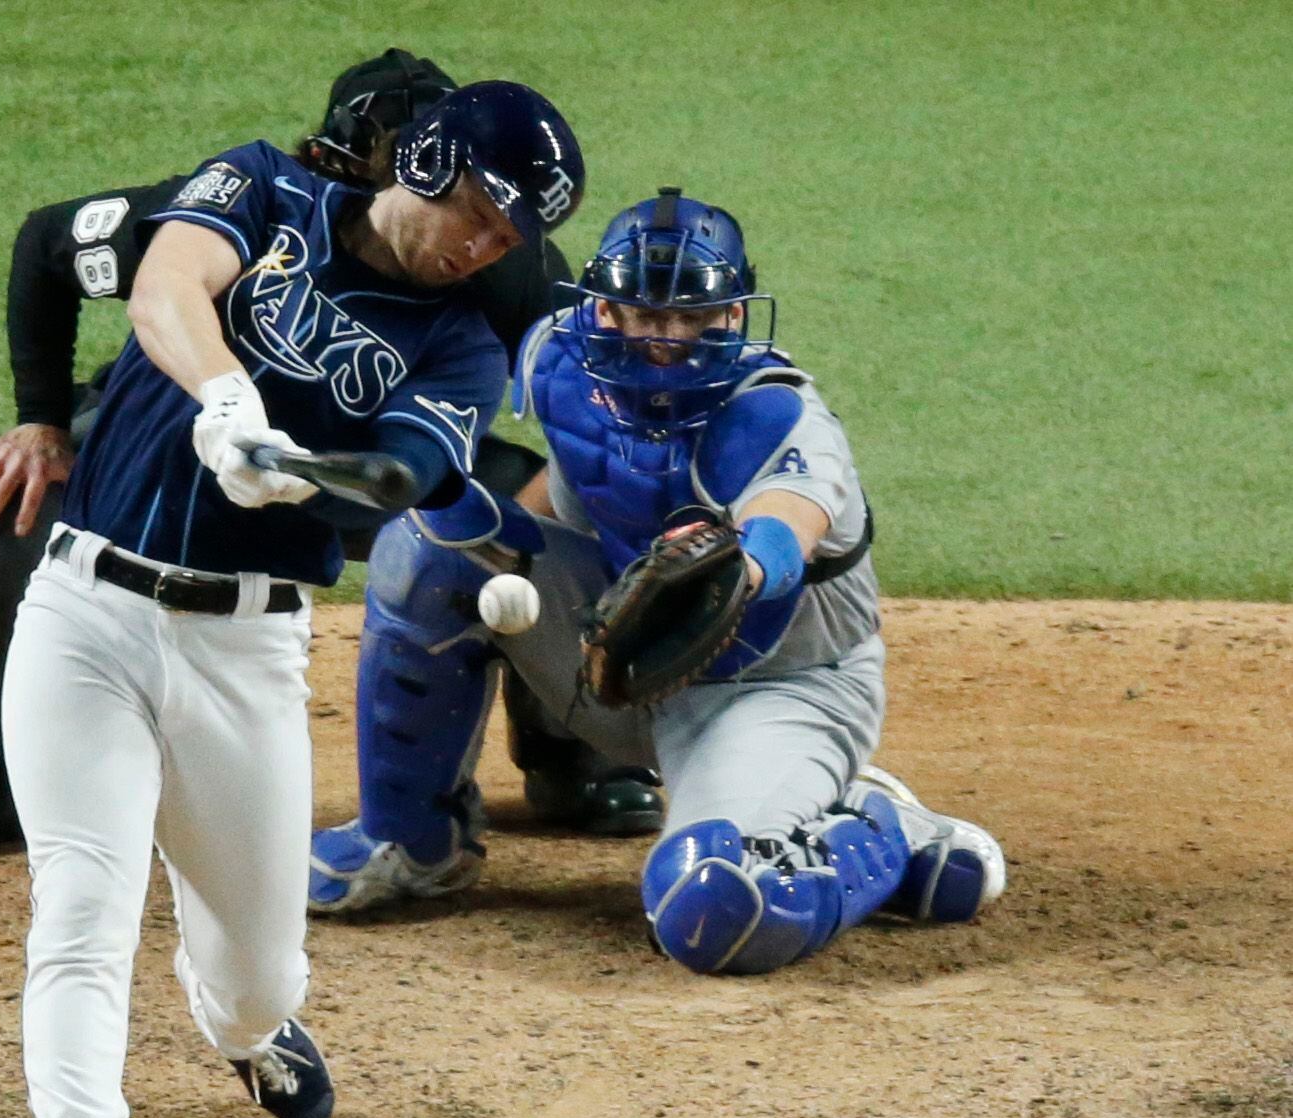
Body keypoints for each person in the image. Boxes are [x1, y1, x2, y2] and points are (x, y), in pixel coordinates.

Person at [1, 83, 585, 1118]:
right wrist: (227, 403)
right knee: (83, 904)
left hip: (244, 654)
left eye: (506, 234)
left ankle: (248, 1032)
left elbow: (403, 472)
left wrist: (307, 477)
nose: (486, 244)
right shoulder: (265, 186)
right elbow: (166, 289)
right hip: (84, 617)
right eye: (477, 211)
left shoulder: (461, 344)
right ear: (424, 162)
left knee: (262, 968)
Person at [0, 50, 655, 853]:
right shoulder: (258, 196)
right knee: (4, 516)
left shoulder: (509, 274)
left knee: (547, 528)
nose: (473, 238)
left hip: (374, 457)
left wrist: (546, 506)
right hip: (178, 426)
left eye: (492, 224)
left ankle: (572, 749)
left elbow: (592, 407)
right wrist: (41, 422)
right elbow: (51, 247)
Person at [308, 188, 1007, 973]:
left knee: (715, 910)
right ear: (604, 311)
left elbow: (785, 529)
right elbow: (558, 508)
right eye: (643, 315)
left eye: (691, 319)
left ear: (734, 319)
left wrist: (731, 569)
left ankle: (876, 824)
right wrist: (513, 585)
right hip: (619, 664)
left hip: (769, 692)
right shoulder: (560, 363)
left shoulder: (778, 416)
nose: (664, 340)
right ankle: (409, 843)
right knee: (433, 543)